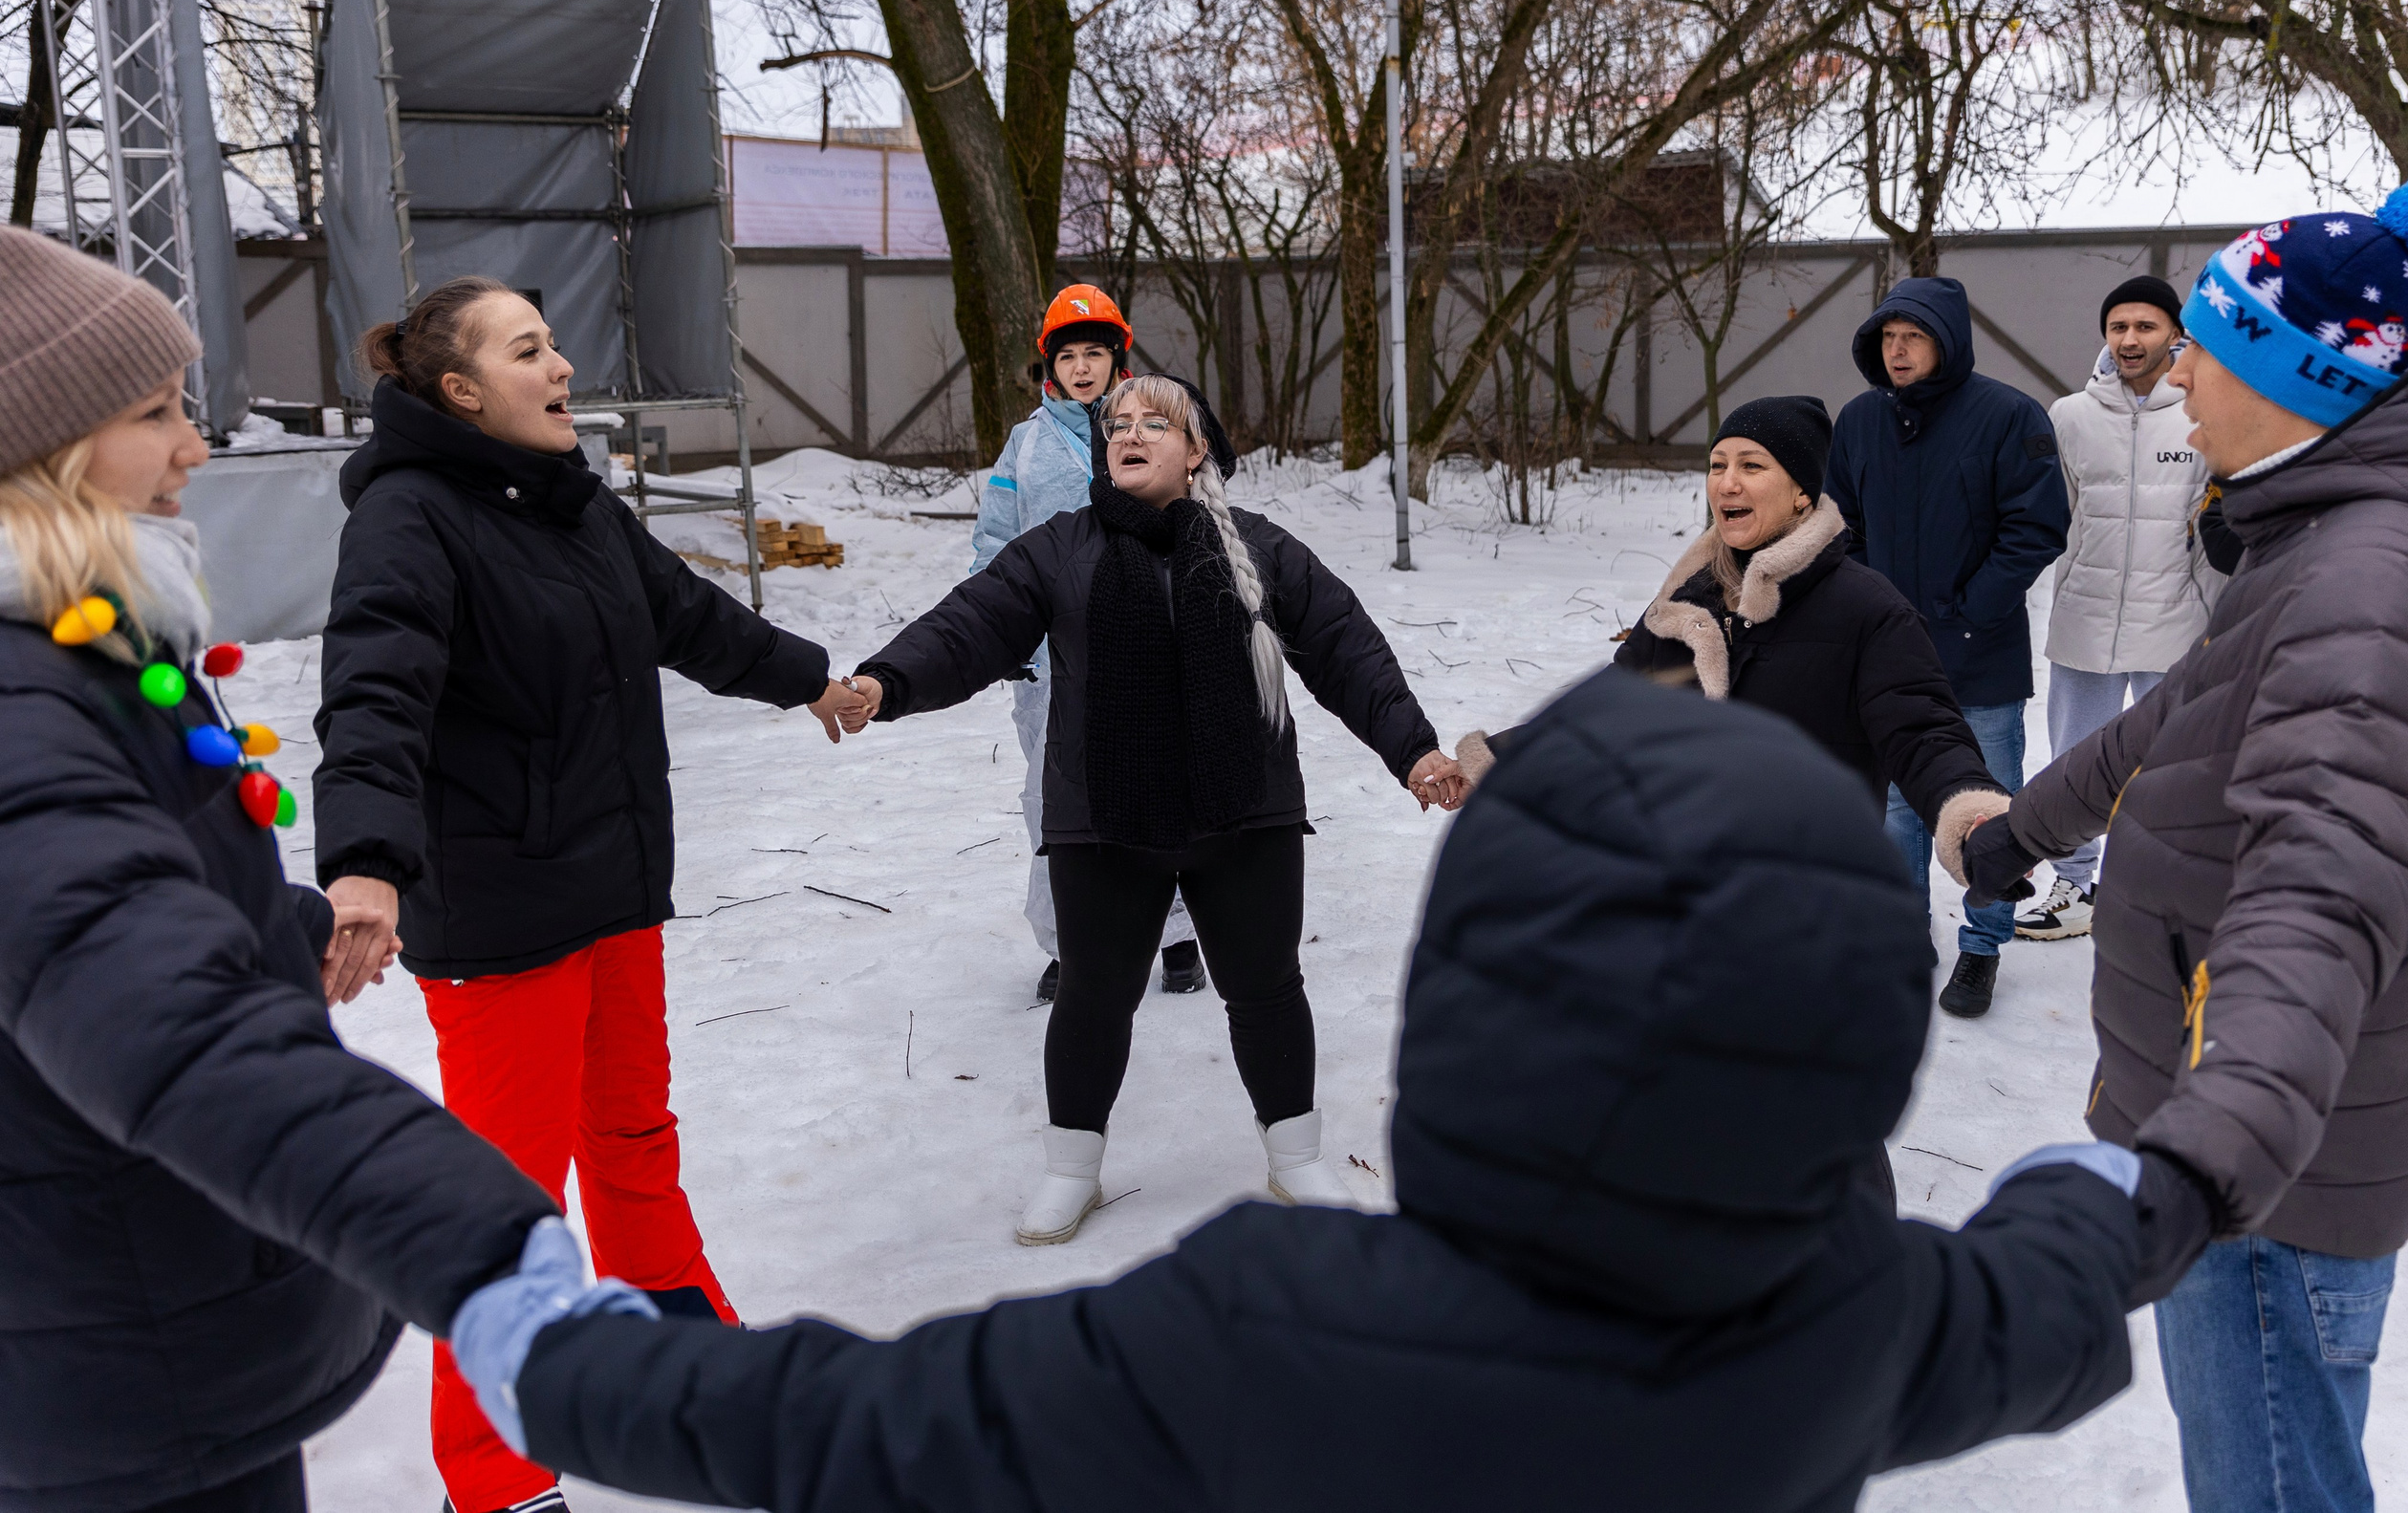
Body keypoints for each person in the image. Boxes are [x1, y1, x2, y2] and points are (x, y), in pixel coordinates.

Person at [438, 666, 2217, 1513]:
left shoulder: (1259, 1327)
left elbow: (842, 1426)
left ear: (1472, 1003)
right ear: (1850, 1048)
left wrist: (555, 1347)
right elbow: (2047, 1306)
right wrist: (2107, 1182)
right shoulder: (1861, 1317)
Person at [0, 227, 559, 1513]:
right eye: (155, 413)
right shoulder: (20, 692)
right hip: (121, 1354)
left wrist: (273, 918)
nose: (196, 446)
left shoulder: (90, 637)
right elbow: (163, 1021)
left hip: (169, 1305)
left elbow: (117, 886)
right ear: (36, 452)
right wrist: (482, 1246)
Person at [311, 277, 861, 1513]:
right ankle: (496, 1477)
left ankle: (697, 1376)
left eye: (554, 343)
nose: (562, 365)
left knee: (633, 1146)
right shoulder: (410, 519)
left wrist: (812, 681)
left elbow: (691, 617)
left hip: (612, 890)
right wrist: (365, 858)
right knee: (506, 1204)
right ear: (461, 390)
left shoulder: (571, 504)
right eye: (529, 350)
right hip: (502, 919)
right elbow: (374, 693)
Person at [1963, 183, 2408, 1513]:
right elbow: (2176, 723)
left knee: (2275, 1487)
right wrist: (2017, 832)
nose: (2174, 368)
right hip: (2261, 1128)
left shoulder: (2362, 579)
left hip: (2263, 1169)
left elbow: (2325, 876)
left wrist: (2204, 1154)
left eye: (2205, 348)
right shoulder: (2314, 535)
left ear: (2301, 376)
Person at [832, 374, 1464, 1244]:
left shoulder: (1261, 549)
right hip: (1106, 822)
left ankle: (1296, 1156)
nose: (1127, 434)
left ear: (1196, 448)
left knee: (1267, 989)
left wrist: (1414, 748)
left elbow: (1347, 648)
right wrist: (884, 682)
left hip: (1244, 815)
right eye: (1116, 425)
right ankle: (1071, 1171)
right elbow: (969, 625)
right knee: (1093, 996)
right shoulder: (1060, 549)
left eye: (1152, 423)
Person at [1464, 397, 2009, 881]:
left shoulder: (1869, 611)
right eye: (1717, 465)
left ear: (1801, 492)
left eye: (1752, 466)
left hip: (1813, 895)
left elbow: (1924, 731)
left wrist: (1972, 815)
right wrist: (1493, 761)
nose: (1727, 482)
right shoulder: (1686, 603)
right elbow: (1605, 714)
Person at [1826, 275, 2069, 1017]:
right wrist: (1874, 610)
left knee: (1988, 805)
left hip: (1979, 653)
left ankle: (1983, 945)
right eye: (1887, 339)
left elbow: (2036, 526)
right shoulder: (1861, 419)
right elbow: (1843, 523)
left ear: (1948, 341)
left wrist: (1969, 611)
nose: (1898, 352)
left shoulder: (2008, 415)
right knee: (1897, 803)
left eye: (1914, 337)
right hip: (1888, 655)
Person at [974, 285, 1202, 1004]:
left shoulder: (1155, 429)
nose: (1081, 368)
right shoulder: (1027, 442)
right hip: (1051, 659)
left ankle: (1175, 932)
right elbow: (995, 541)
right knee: (1054, 798)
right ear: (1051, 365)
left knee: (1161, 783)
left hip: (1146, 641)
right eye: (1067, 355)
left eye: (1093, 353)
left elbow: (1196, 523)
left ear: (1116, 359)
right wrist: (996, 630)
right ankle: (1067, 941)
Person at [2015, 276, 2216, 945]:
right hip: (2086, 619)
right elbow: (2053, 517)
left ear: (2174, 335)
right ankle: (2075, 884)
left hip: (2174, 624)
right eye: (2118, 327)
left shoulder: (2201, 408)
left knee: (2173, 765)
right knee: (2075, 761)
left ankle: (2163, 891)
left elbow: (2213, 526)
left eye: (2146, 327)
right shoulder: (2068, 415)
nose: (2130, 339)